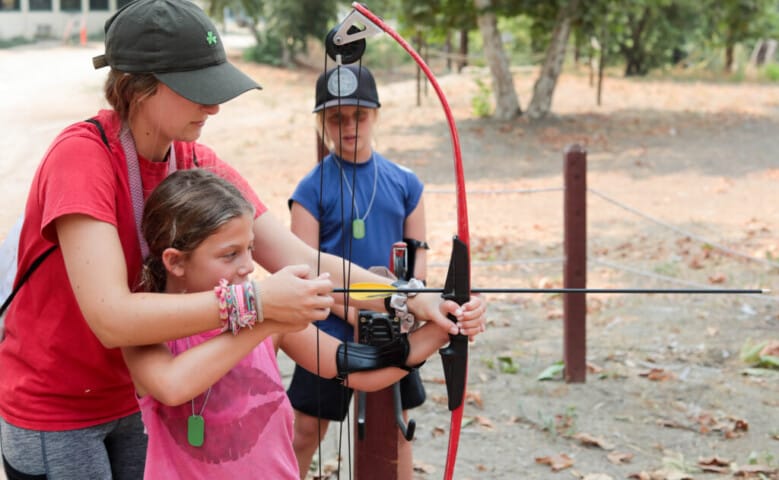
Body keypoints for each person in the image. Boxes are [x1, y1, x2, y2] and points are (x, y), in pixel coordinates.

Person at [0, 1, 488, 479]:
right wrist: (256, 303)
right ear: (139, 87)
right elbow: (111, 317)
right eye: (197, 90)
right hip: (58, 404)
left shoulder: (194, 160)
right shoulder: (82, 159)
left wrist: (407, 298)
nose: (213, 105)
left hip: (133, 396)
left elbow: (301, 259)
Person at [122, 168, 473, 479]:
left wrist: (442, 328)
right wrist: (263, 319)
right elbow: (172, 386)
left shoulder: (270, 321)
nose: (248, 266)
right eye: (230, 255)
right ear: (175, 262)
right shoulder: (145, 327)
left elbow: (355, 367)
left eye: (251, 249)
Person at [287, 64, 430, 480]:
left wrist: (409, 305)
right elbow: (303, 271)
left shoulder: (406, 184)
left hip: (394, 326)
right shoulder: (310, 190)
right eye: (336, 118)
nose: (349, 127)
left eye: (359, 116)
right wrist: (354, 314)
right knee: (306, 430)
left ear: (376, 115)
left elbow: (419, 262)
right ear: (322, 123)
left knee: (397, 431)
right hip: (329, 330)